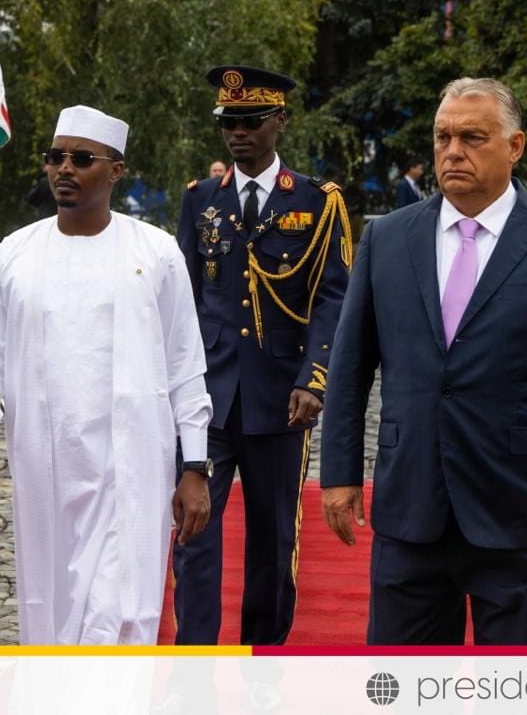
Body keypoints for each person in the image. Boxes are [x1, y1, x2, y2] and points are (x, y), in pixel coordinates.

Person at [321, 77, 527, 645]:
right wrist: (339, 473)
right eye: (442, 137)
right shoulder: (387, 240)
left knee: (520, 690)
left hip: (522, 512)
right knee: (401, 690)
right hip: (411, 508)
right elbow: (349, 366)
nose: (452, 151)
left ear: (515, 147)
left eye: (472, 137)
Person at [0, 105, 212, 645]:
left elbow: (186, 365)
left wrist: (196, 465)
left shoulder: (156, 253)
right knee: (52, 611)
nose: (64, 169)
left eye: (81, 158)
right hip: (46, 467)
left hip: (131, 468)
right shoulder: (14, 256)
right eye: (55, 157)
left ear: (114, 170)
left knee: (120, 613)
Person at [172, 65, 351, 645]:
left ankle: (263, 658)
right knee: (194, 532)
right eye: (229, 122)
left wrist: (315, 378)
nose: (237, 134)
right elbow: (186, 301)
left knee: (274, 540)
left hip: (281, 397)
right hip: (210, 397)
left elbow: (332, 297)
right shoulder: (201, 200)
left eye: (250, 121)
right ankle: (194, 660)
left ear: (279, 121)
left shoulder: (318, 202)